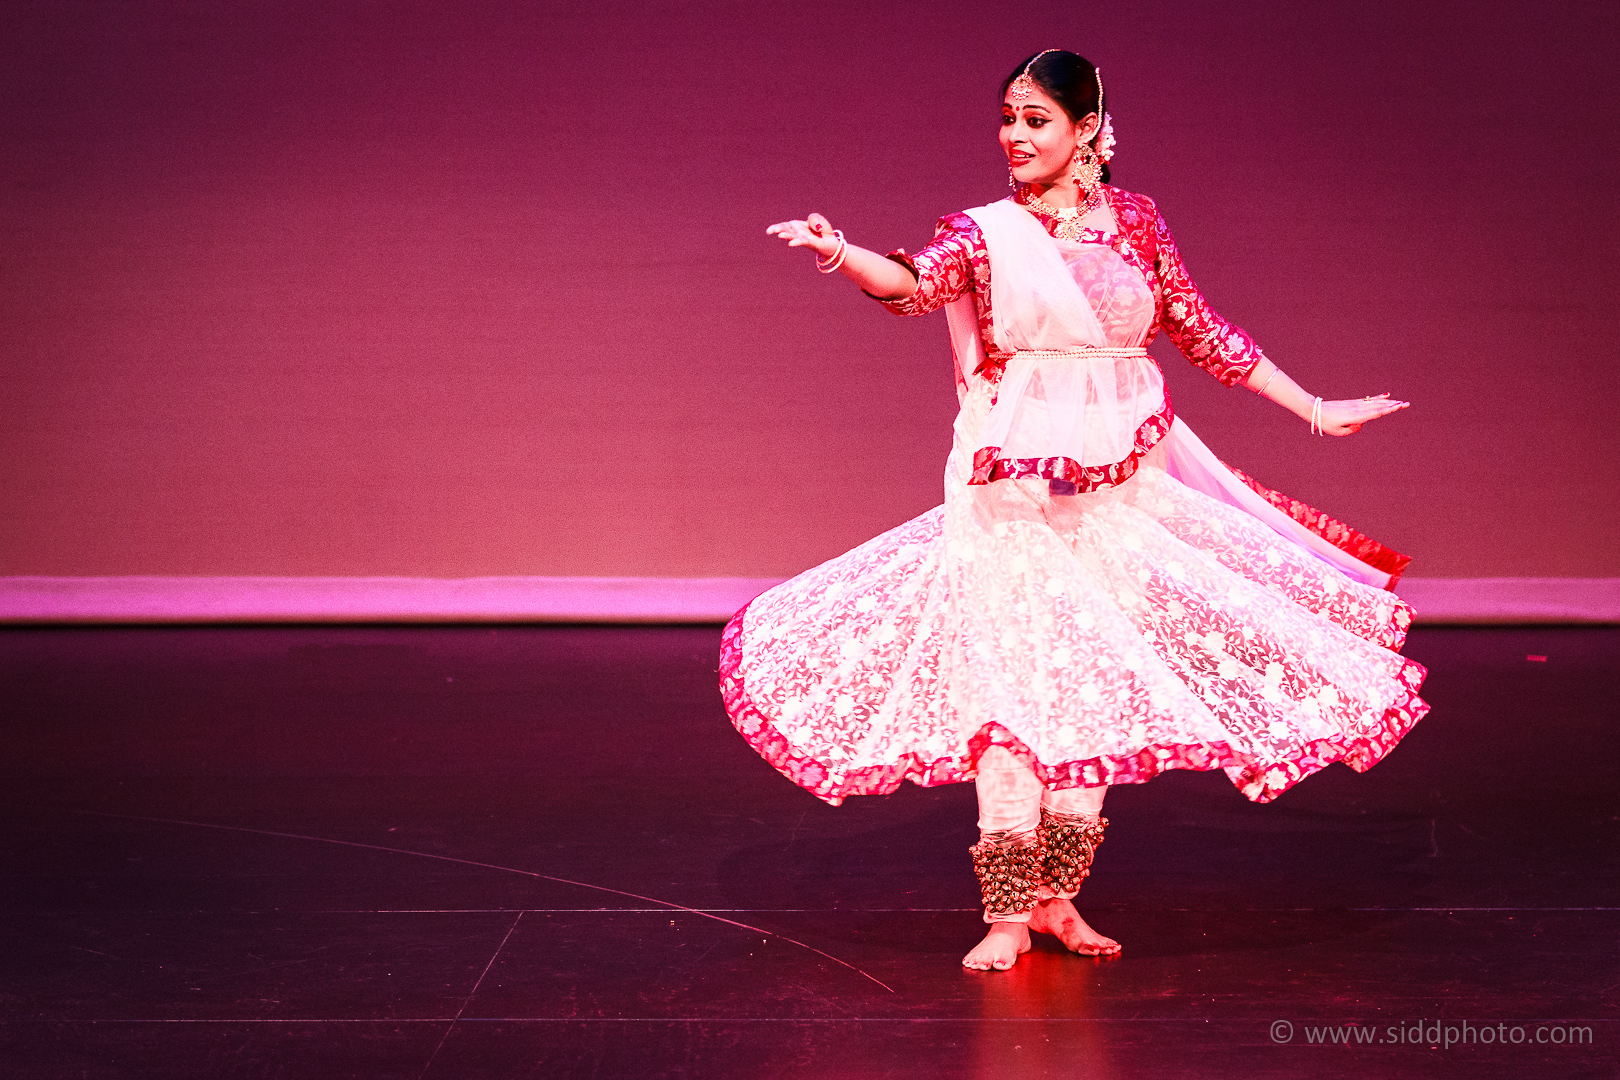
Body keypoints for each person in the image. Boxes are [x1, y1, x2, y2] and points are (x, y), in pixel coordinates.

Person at [719, 49, 1429, 972]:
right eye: (1007, 121)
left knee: (1089, 685)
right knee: (1015, 687)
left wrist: (1314, 409)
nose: (1015, 137)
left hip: (1117, 485)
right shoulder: (983, 233)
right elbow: (916, 284)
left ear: (1088, 128)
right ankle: (1007, 913)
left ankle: (1059, 901)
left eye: (1035, 120)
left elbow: (1203, 331)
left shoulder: (1138, 223)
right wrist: (842, 254)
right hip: (1011, 490)